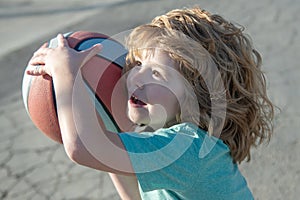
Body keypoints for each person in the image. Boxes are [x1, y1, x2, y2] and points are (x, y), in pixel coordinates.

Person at [27, 6, 274, 200]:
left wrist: (66, 75)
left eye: (156, 73)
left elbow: (82, 148)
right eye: (138, 64)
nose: (136, 78)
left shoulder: (186, 148)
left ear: (196, 97)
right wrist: (104, 119)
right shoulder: (172, 143)